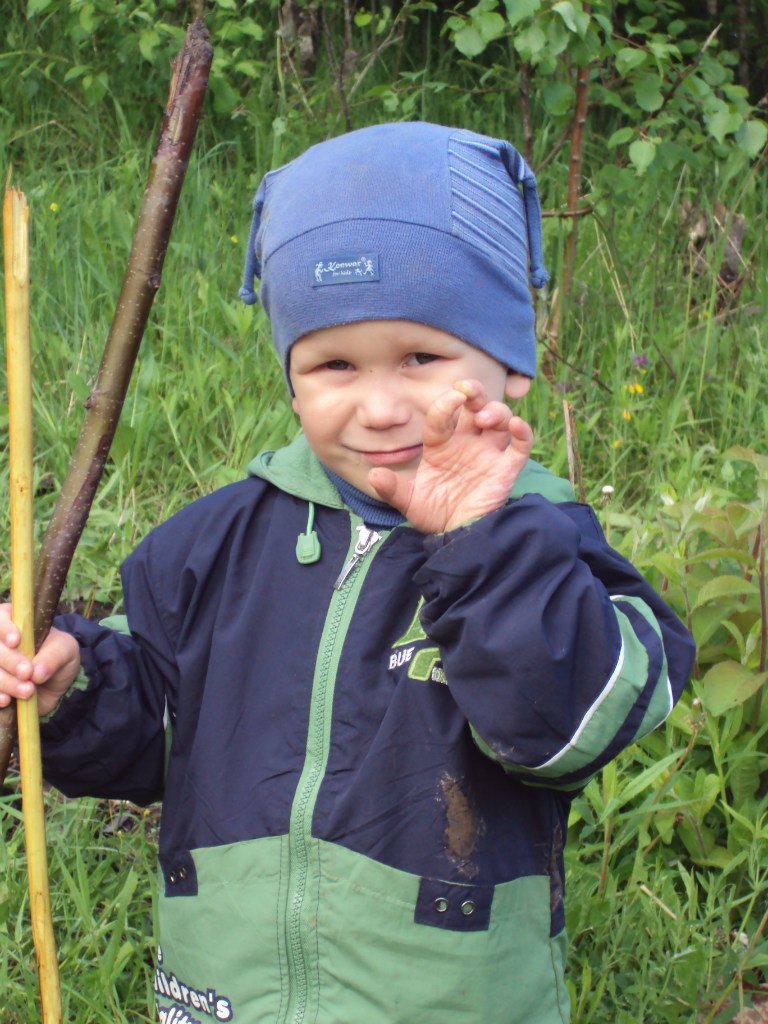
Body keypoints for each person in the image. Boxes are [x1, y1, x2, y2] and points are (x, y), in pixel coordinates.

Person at [0, 122, 695, 1024]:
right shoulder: (212, 546)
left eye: (422, 356)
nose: (377, 405)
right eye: (333, 364)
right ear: (291, 379)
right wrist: (75, 688)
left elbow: (570, 725)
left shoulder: (541, 540)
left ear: (510, 364)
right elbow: (162, 735)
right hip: (227, 996)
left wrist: (477, 548)